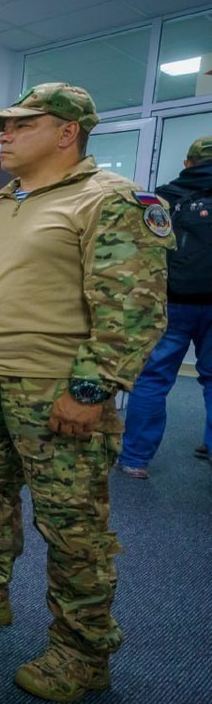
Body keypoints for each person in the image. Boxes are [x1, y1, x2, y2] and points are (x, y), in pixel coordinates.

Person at [0, 83, 172, 703]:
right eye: (1, 125)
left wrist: (90, 390)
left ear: (67, 132)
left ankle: (82, 652)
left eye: (20, 124)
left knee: (72, 523)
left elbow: (132, 309)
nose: (3, 134)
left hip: (56, 387)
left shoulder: (108, 201)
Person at [118, 135, 212, 478]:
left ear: (188, 163)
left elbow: (136, 250)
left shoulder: (160, 198)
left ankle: (135, 459)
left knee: (153, 379)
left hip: (169, 303)